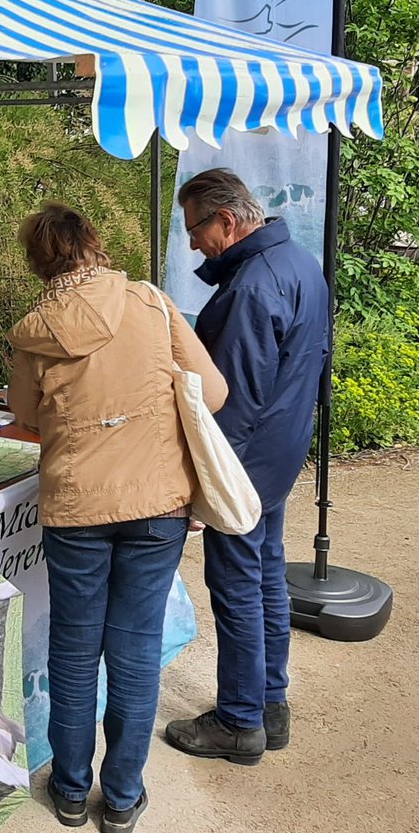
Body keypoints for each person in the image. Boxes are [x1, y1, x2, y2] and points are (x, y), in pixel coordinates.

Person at [7, 203, 227, 833]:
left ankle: (71, 792)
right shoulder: (152, 304)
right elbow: (213, 393)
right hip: (156, 503)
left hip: (75, 504)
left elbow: (25, 412)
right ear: (93, 244)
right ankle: (124, 796)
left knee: (74, 652)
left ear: (39, 261)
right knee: (134, 652)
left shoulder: (35, 328)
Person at [165, 169, 329, 766]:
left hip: (245, 465)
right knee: (265, 578)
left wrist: (205, 487)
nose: (192, 244)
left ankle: (238, 721)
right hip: (281, 452)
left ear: (227, 221)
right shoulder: (300, 263)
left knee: (236, 585)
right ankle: (270, 704)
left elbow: (231, 402)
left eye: (195, 229)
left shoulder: (252, 287)